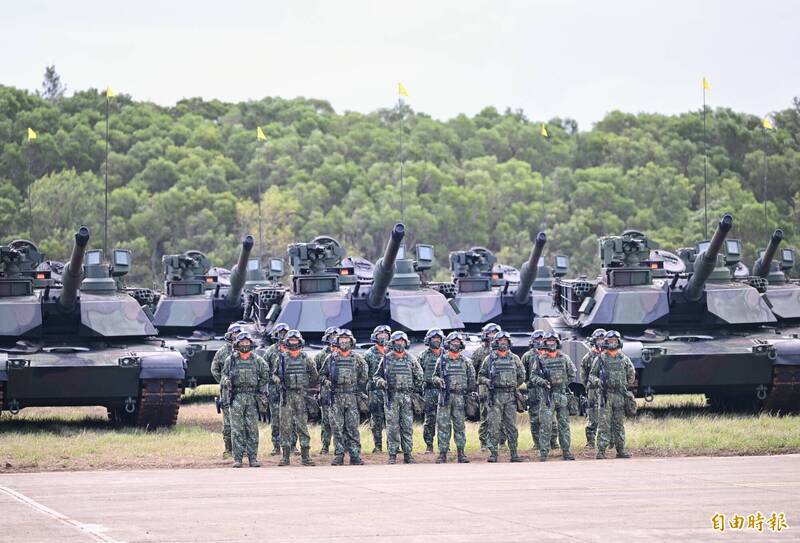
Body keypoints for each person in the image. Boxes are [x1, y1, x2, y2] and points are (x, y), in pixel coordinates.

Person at [319, 328, 368, 465]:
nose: (344, 342)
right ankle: (339, 455)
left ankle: (355, 455)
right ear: (337, 341)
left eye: (347, 339)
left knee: (352, 428)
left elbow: (364, 376)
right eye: (342, 339)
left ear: (351, 341)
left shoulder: (357, 359)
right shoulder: (331, 358)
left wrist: (355, 387)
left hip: (352, 397)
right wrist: (327, 382)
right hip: (336, 397)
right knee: (337, 428)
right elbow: (321, 375)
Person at [374, 331, 424, 464]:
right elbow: (376, 376)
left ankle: (408, 454)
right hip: (392, 397)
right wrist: (382, 383)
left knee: (407, 426)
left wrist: (412, 390)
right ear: (393, 342)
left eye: (402, 341)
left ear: (406, 343)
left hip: (407, 397)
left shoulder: (411, 359)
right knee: (392, 427)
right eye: (397, 341)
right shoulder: (386, 359)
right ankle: (392, 454)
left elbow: (420, 376)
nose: (400, 343)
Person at [272, 330, 319, 466]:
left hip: (301, 396)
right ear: (287, 342)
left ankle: (306, 457)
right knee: (285, 427)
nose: (293, 342)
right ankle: (285, 457)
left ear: (300, 341)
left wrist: (306, 386)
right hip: (286, 396)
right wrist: (278, 381)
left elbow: (314, 375)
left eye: (295, 340)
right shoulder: (281, 358)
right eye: (291, 340)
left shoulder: (306, 358)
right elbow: (274, 374)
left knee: (302, 426)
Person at [223, 332, 270, 468]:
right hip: (236, 397)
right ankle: (237, 459)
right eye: (242, 342)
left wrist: (259, 389)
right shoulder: (231, 360)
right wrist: (226, 381)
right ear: (237, 344)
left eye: (247, 342)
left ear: (251, 344)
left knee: (252, 429)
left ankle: (253, 458)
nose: (245, 345)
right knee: (237, 429)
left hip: (252, 398)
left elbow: (266, 375)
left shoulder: (257, 360)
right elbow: (224, 374)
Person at [478, 331, 525, 463]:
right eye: (500, 341)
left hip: (510, 396)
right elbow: (480, 376)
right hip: (495, 396)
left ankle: (514, 453)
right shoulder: (490, 359)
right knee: (494, 425)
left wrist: (512, 384)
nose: (503, 343)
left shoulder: (514, 358)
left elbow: (522, 376)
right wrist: (488, 382)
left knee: (511, 426)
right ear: (496, 342)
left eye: (505, 340)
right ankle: (493, 453)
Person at [589, 330, 636, 459]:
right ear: (606, 342)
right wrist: (599, 382)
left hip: (619, 395)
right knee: (604, 424)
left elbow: (631, 374)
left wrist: (624, 385)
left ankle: (621, 450)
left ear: (619, 342)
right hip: (606, 395)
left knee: (619, 424)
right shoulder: (600, 359)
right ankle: (601, 451)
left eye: (615, 341)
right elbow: (592, 376)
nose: (612, 343)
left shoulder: (624, 359)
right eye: (610, 341)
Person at [531, 332, 577, 462]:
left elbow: (572, 373)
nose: (551, 343)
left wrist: (563, 383)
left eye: (553, 341)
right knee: (545, 425)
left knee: (564, 425)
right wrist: (543, 382)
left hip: (561, 394)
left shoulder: (564, 358)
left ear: (557, 343)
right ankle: (543, 453)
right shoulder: (540, 359)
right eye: (549, 341)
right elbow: (533, 376)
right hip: (547, 396)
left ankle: (566, 452)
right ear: (545, 343)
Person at [431, 332, 476, 463]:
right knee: (443, 426)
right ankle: (443, 454)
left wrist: (468, 395)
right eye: (453, 342)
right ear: (448, 344)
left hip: (460, 397)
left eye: (457, 342)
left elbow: (472, 380)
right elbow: (434, 376)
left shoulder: (466, 361)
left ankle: (461, 454)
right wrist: (438, 380)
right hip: (445, 396)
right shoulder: (441, 360)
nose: (455, 344)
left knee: (459, 426)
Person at [210, 321, 245, 458]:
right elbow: (215, 369)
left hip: (243, 391)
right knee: (228, 424)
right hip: (228, 393)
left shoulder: (246, 351)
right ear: (229, 335)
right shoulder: (222, 352)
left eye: (239, 333)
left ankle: (243, 449)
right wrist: (224, 382)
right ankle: (229, 449)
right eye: (235, 333)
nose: (237, 335)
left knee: (244, 422)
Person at [263, 323, 295, 456]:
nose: (282, 336)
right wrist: (273, 378)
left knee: (291, 419)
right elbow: (264, 370)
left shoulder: (293, 350)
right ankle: (276, 446)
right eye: (280, 333)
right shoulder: (270, 351)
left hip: (290, 390)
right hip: (275, 391)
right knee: (276, 420)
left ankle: (292, 446)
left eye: (285, 333)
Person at [471, 322, 503, 450]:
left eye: (495, 333)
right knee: (485, 416)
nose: (493, 336)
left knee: (501, 416)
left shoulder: (503, 351)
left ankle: (501, 442)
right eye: (490, 333)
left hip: (500, 388)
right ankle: (484, 443)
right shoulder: (479, 352)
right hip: (484, 388)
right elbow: (473, 371)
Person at [363, 324, 391, 452]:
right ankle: (378, 446)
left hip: (390, 391)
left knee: (392, 419)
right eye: (380, 334)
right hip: (375, 391)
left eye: (386, 334)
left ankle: (393, 446)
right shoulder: (368, 354)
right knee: (376, 419)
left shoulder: (393, 352)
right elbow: (363, 373)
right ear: (375, 336)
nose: (383, 337)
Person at [314, 327, 339, 454]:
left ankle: (341, 446)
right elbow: (315, 374)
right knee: (326, 421)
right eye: (332, 336)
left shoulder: (343, 354)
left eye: (336, 336)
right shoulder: (320, 356)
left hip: (340, 393)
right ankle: (325, 446)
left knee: (340, 421)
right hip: (326, 392)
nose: (334, 338)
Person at [419, 328, 445, 454]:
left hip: (444, 391)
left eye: (438, 338)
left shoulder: (446, 355)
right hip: (429, 391)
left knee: (444, 420)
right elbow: (418, 374)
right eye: (434, 338)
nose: (436, 340)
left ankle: (444, 446)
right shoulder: (423, 356)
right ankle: (429, 445)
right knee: (430, 419)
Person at [580, 328, 606, 448]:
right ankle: (590, 442)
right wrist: (589, 387)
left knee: (607, 415)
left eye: (602, 339)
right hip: (593, 390)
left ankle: (608, 441)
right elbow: (584, 375)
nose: (601, 342)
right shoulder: (588, 357)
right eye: (598, 339)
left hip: (607, 390)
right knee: (592, 415)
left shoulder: (609, 356)